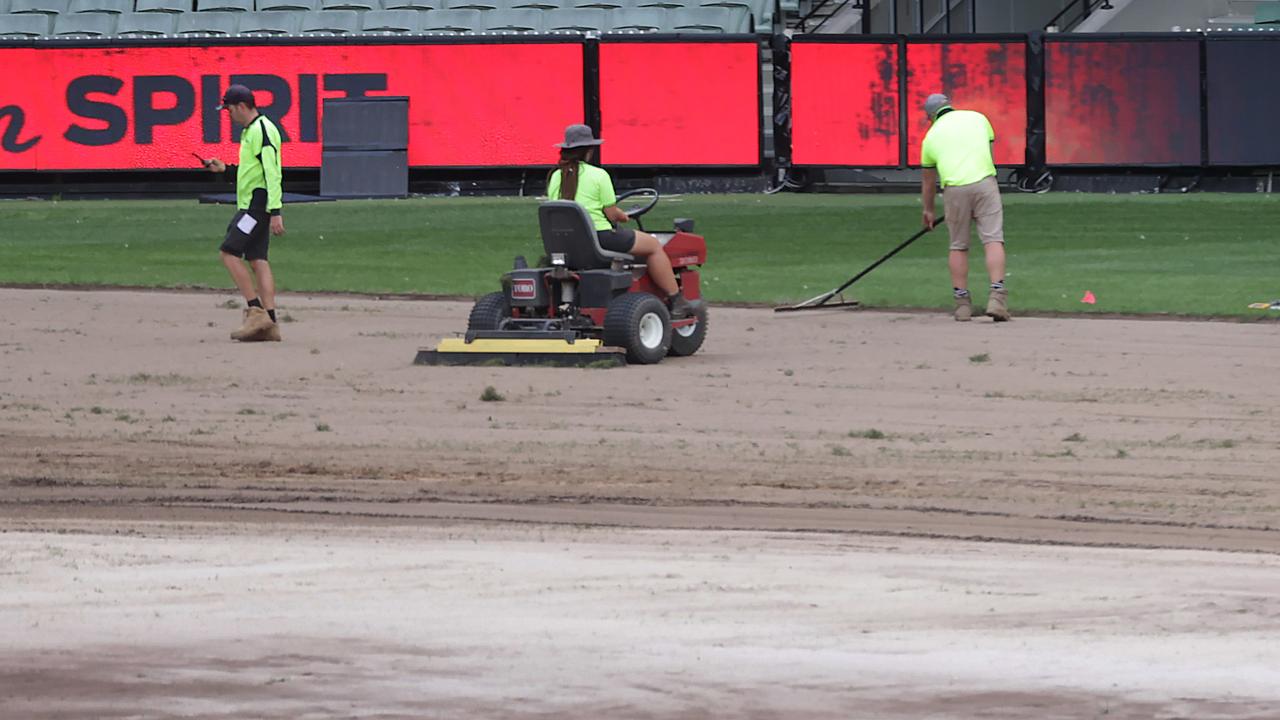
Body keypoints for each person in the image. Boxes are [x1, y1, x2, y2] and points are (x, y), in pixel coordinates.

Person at [545, 124, 693, 319]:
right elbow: (612, 214)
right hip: (600, 238)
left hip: (565, 244)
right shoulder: (598, 175)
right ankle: (676, 300)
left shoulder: (555, 177)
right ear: (589, 151)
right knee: (654, 246)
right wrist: (624, 216)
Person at [205, 84, 286, 342]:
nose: (228, 115)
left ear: (241, 106)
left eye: (228, 109)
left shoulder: (262, 130)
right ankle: (270, 322)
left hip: (256, 205)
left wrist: (276, 211)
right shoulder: (252, 130)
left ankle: (255, 311)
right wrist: (226, 170)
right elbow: (252, 171)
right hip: (257, 204)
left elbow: (272, 172)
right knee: (257, 259)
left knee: (228, 253)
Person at [919, 93, 1010, 322]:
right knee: (992, 239)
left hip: (954, 189)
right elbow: (986, 151)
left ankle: (962, 305)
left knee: (958, 245)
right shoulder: (978, 118)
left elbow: (929, 181)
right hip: (985, 183)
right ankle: (997, 297)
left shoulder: (930, 137)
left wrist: (928, 211)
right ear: (949, 105)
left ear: (930, 116)